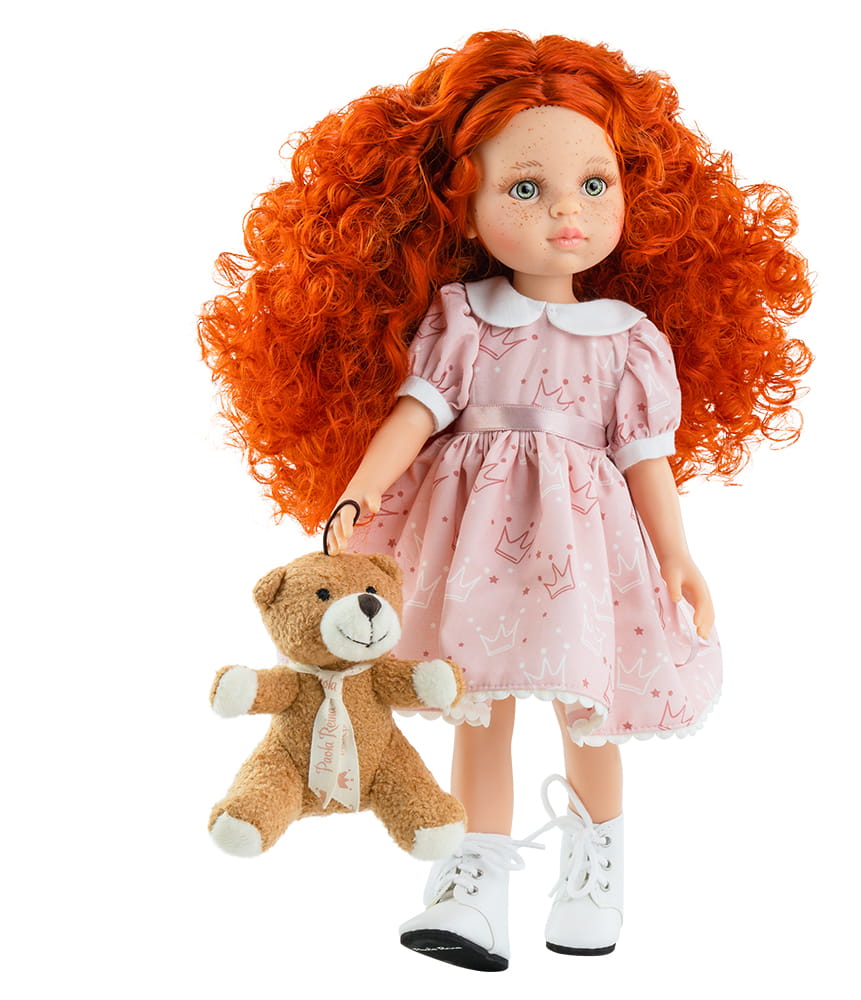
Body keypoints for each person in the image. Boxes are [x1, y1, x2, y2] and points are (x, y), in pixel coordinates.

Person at [199, 30, 812, 972]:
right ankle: (473, 879)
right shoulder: (463, 316)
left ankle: (593, 872)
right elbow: (416, 412)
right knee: (474, 706)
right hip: (471, 537)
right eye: (526, 189)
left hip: (582, 545)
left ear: (636, 196)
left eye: (594, 184)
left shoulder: (629, 339)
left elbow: (645, 457)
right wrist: (359, 490)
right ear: (464, 204)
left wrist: (678, 555)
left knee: (585, 707)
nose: (567, 209)